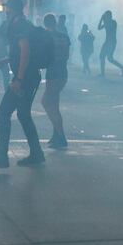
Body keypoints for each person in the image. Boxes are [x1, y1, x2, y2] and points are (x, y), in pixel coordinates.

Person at [0, 0, 45, 168]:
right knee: (23, 114)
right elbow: (20, 51)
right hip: (29, 76)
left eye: (7, 9)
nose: (5, 12)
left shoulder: (19, 26)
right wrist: (7, 59)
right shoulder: (23, 24)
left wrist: (19, 79)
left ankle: (1, 157)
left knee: (3, 113)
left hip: (25, 78)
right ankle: (37, 153)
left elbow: (25, 51)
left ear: (11, 9)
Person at [41, 14, 70, 149]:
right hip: (63, 71)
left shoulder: (47, 36)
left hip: (53, 72)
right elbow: (67, 55)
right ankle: (56, 135)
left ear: (45, 24)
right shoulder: (64, 36)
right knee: (54, 104)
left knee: (46, 102)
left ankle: (61, 135)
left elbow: (45, 56)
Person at [98, 10, 123, 77]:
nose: (105, 17)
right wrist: (101, 19)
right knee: (109, 58)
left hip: (111, 42)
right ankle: (122, 67)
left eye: (106, 15)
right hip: (109, 42)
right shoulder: (107, 22)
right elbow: (99, 28)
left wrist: (103, 19)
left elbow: (106, 27)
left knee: (104, 57)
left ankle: (103, 74)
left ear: (109, 16)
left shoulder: (113, 22)